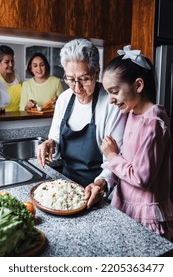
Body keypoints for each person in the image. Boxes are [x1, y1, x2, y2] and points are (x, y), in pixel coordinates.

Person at [37, 38, 127, 205]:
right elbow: (56, 150)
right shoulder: (64, 99)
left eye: (84, 79)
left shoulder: (111, 104)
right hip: (66, 191)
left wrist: (100, 184)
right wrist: (50, 144)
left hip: (98, 194)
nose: (77, 87)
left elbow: (115, 160)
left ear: (96, 72)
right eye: (70, 79)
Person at [99, 45, 173, 240]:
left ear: (138, 85)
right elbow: (130, 159)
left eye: (114, 91)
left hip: (145, 214)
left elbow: (142, 177)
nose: (110, 100)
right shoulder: (132, 113)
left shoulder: (153, 123)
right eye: (108, 93)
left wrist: (112, 156)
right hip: (126, 206)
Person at [0, 45, 21, 111]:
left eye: (12, 61)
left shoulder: (16, 73)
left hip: (20, 115)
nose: (11, 64)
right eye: (7, 62)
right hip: (5, 118)